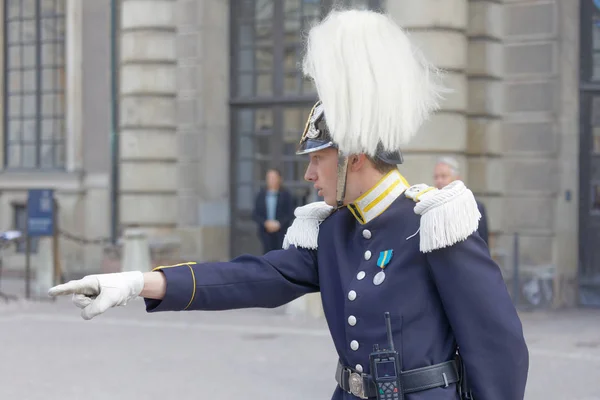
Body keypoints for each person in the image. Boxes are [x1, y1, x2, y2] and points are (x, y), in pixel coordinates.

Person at [48, 9, 528, 400]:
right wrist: (137, 282)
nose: (309, 174)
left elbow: (498, 350)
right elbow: (254, 276)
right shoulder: (334, 231)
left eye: (318, 160)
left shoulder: (434, 223)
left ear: (354, 158)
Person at [433, 157, 489, 245]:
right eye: (436, 177)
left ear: (457, 179)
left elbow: (483, 242)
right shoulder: (431, 208)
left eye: (443, 176)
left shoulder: (474, 206)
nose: (439, 181)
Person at [252, 168, 296, 254]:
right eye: (269, 178)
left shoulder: (286, 195)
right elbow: (255, 214)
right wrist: (265, 223)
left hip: (282, 231)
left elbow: (290, 213)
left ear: (279, 179)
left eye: (274, 177)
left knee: (280, 254)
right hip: (265, 231)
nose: (271, 180)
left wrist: (279, 223)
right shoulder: (260, 195)